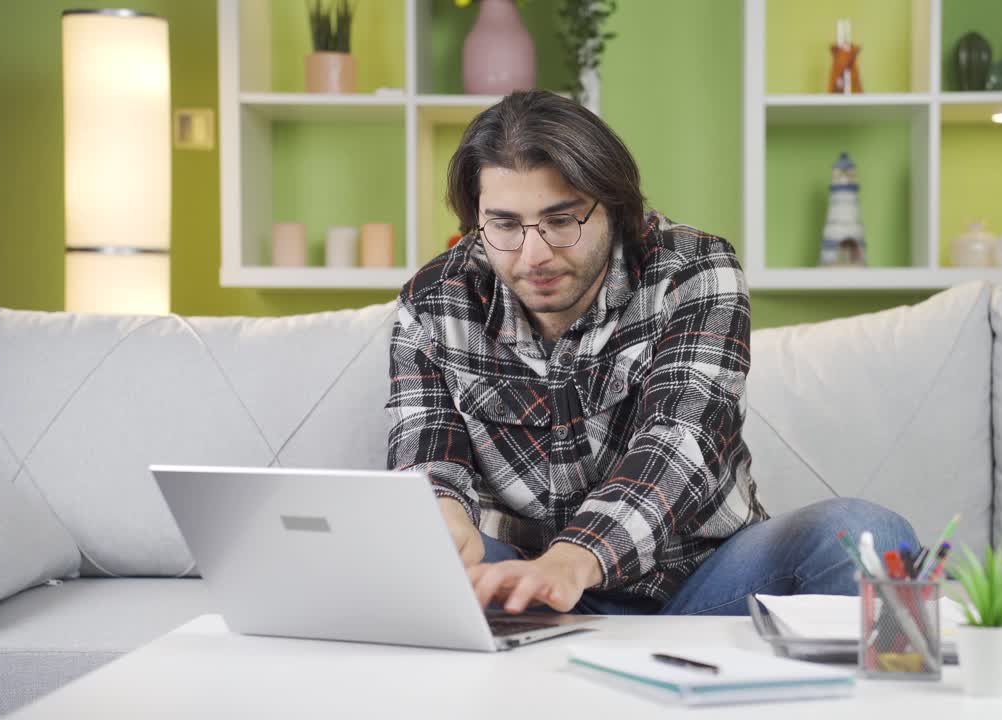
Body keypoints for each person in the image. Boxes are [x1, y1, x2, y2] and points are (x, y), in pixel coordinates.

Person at [386, 90, 918, 617]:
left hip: (702, 584)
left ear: (613, 208)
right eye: (504, 225)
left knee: (876, 537)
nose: (535, 254)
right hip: (529, 582)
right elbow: (427, 446)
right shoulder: (433, 302)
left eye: (562, 220)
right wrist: (443, 514)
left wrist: (573, 560)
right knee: (416, 568)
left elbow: (680, 443)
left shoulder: (696, 272)